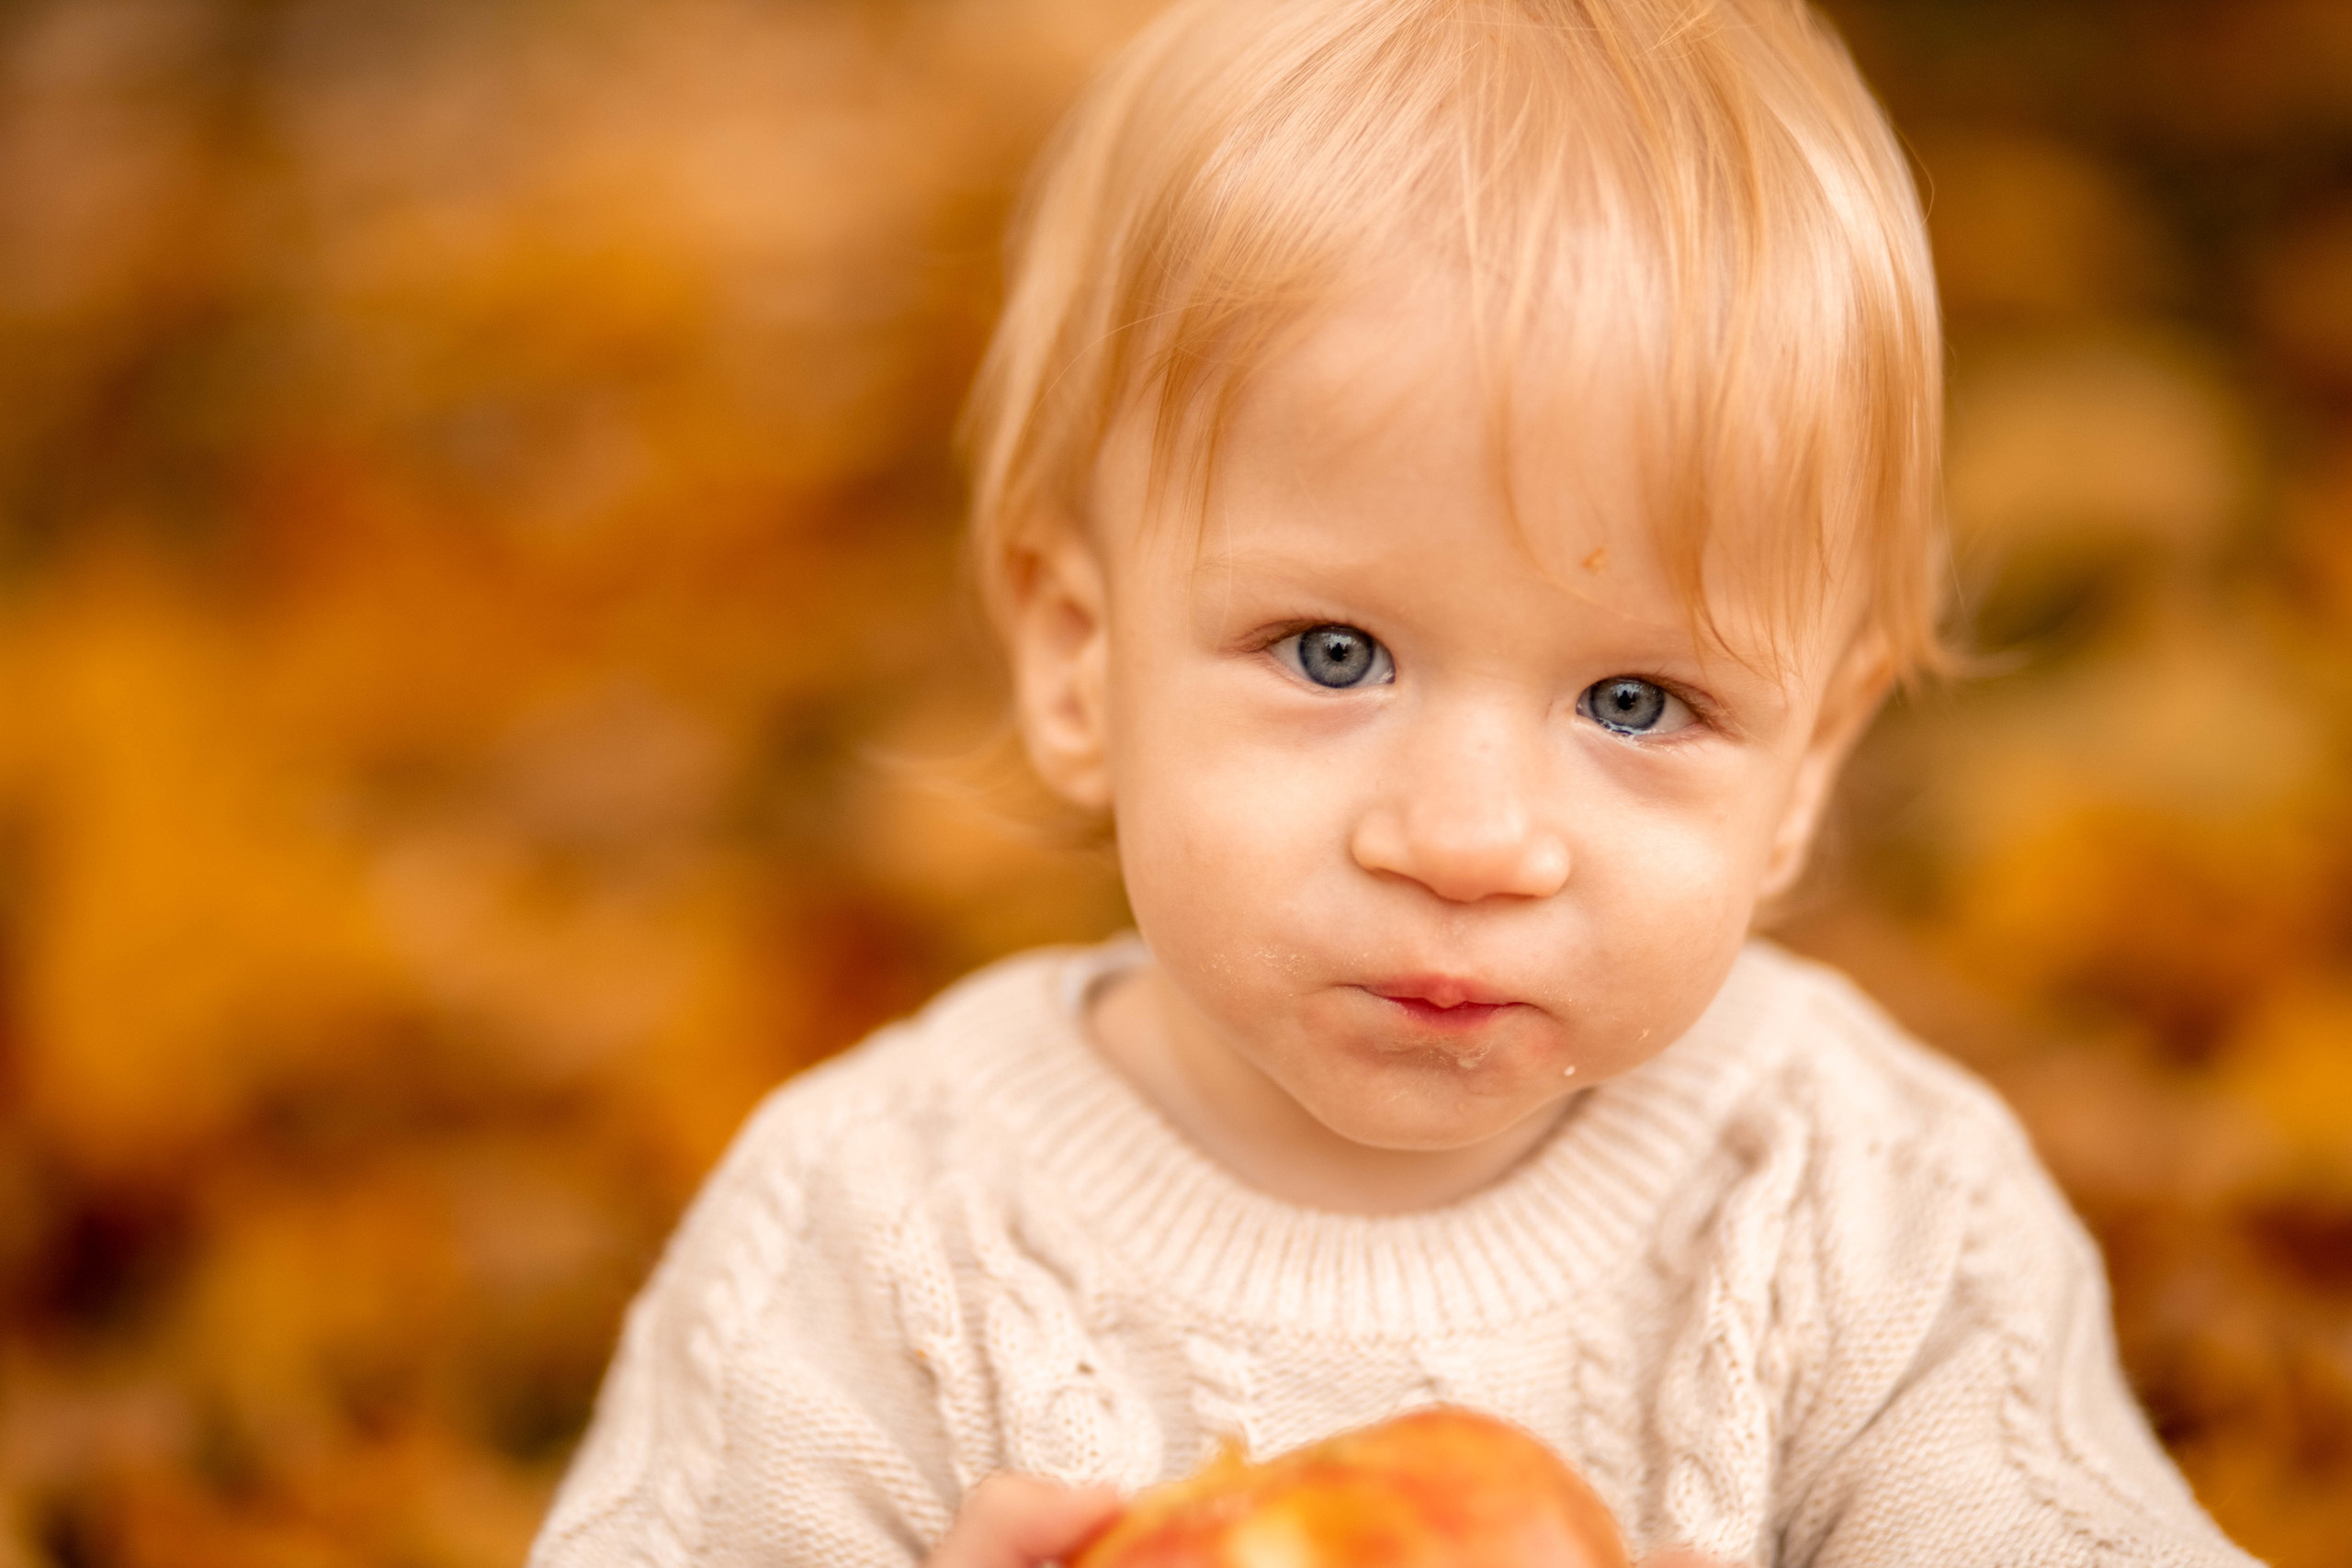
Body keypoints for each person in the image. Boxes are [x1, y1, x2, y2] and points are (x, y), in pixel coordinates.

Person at [529, 0, 2259, 1563]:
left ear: (1807, 762)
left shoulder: (1866, 1207)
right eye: (1333, 654)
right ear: (1076, 657)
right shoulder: (873, 1238)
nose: (1470, 840)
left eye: (1640, 699)